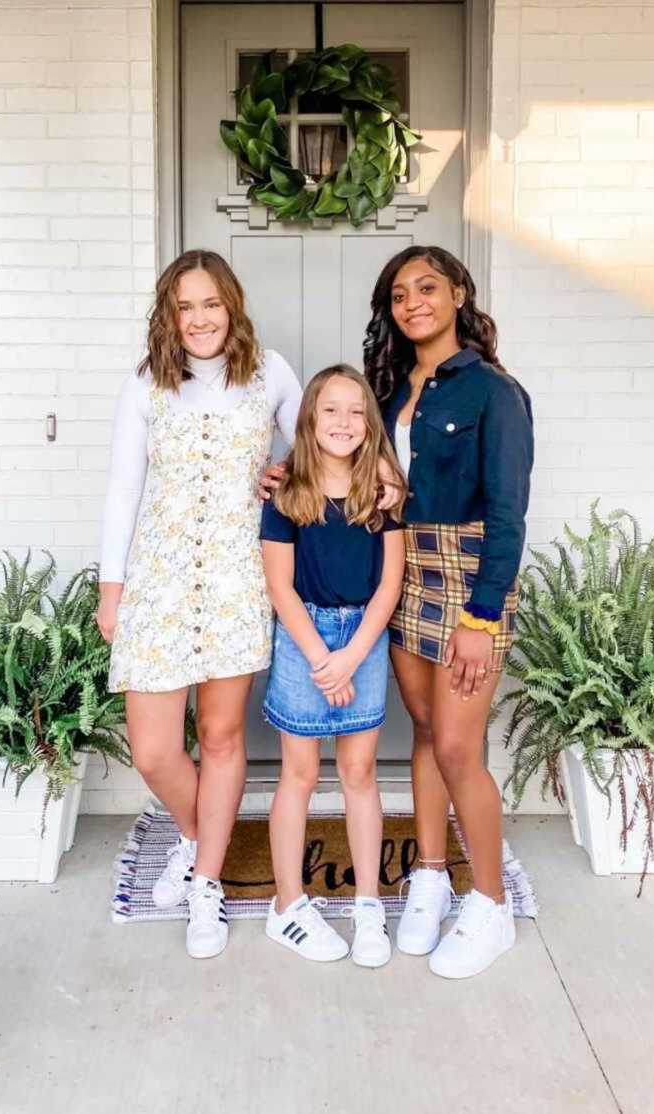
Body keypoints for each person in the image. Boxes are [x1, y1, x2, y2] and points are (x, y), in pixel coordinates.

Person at [96, 250, 301, 960]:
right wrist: (110, 587)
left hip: (238, 581)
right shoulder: (147, 381)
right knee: (154, 749)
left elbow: (327, 449)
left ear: (231, 305)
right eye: (186, 306)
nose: (201, 318)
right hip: (155, 580)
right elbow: (123, 489)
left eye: (211, 303)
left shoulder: (270, 372)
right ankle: (197, 834)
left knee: (220, 738)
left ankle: (207, 882)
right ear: (170, 314)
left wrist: (288, 472)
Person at [364, 244, 533, 979]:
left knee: (461, 748)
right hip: (408, 572)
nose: (412, 304)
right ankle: (430, 874)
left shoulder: (493, 392)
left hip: (470, 583)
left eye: (427, 287)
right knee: (427, 733)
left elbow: (509, 514)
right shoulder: (394, 388)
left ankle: (489, 904)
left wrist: (482, 617)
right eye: (399, 295)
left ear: (459, 293)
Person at [260, 366, 407, 967]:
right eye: (330, 410)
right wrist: (323, 658)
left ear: (368, 422)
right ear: (309, 419)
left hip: (363, 639)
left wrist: (353, 654)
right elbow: (279, 586)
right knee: (298, 773)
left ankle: (368, 902)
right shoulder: (287, 490)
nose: (343, 422)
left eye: (355, 411)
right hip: (305, 641)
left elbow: (390, 581)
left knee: (359, 771)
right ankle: (287, 905)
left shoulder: (382, 492)